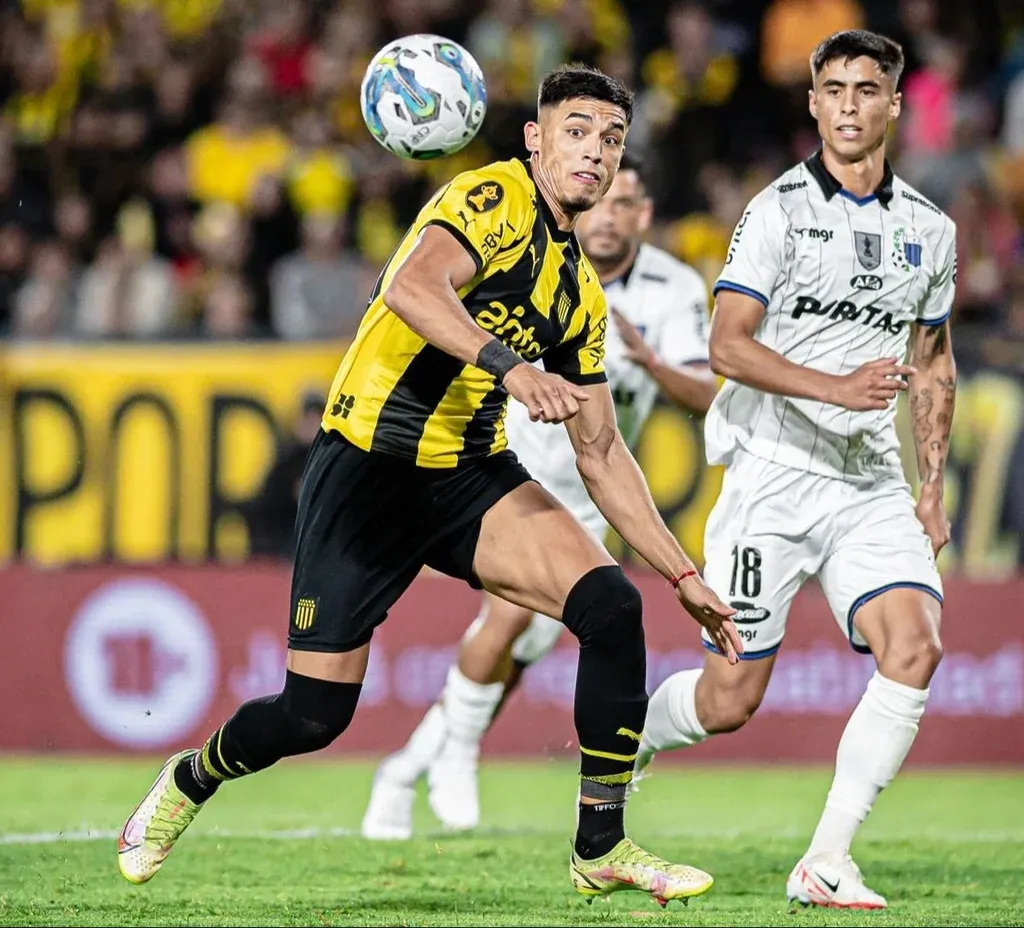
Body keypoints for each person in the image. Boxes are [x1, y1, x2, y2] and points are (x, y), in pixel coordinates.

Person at [116, 63, 742, 907]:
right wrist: (511, 367)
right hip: (368, 467)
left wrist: (683, 573)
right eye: (578, 131)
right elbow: (411, 286)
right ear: (536, 139)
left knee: (611, 606)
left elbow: (601, 451)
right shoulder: (491, 197)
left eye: (612, 139)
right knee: (312, 716)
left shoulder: (578, 295)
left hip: (466, 473)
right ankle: (192, 777)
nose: (596, 152)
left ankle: (601, 846)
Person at [634, 30, 958, 910]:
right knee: (729, 701)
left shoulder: (930, 230)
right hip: (771, 478)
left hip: (869, 482)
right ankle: (630, 739)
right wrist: (838, 387)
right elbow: (727, 346)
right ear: (813, 104)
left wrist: (931, 487)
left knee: (916, 646)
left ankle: (826, 860)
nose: (850, 105)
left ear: (894, 104)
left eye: (867, 89)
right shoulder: (777, 211)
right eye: (834, 90)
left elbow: (933, 360)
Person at [361, 152, 719, 840]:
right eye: (602, 201)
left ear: (643, 213)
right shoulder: (538, 256)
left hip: (592, 490)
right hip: (511, 466)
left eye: (624, 204)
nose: (608, 216)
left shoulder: (673, 287)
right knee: (506, 622)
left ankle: (404, 771)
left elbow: (706, 393)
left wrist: (652, 362)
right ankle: (456, 756)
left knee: (520, 655)